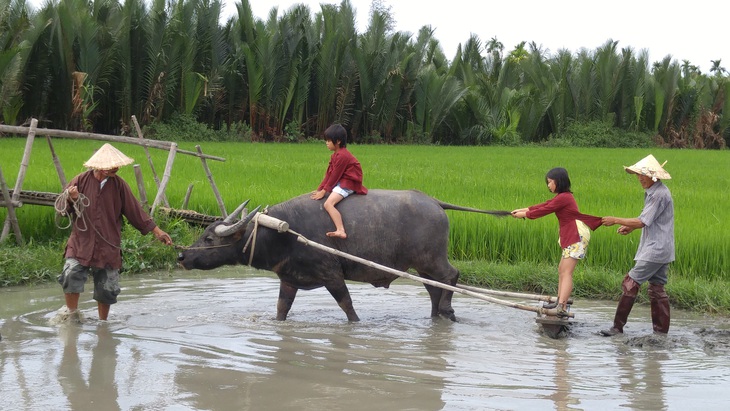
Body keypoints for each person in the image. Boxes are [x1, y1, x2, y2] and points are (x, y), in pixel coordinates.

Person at [56, 143, 172, 322]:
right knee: (71, 274)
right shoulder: (80, 181)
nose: (116, 168)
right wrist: (72, 199)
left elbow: (135, 211)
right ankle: (71, 316)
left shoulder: (119, 186)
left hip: (108, 243)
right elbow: (62, 209)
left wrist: (157, 231)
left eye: (117, 165)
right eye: (111, 165)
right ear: (99, 166)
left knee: (107, 287)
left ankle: (103, 323)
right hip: (81, 241)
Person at [511, 167, 602, 318]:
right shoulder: (562, 197)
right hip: (570, 235)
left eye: (550, 182)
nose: (548, 185)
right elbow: (544, 205)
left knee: (566, 272)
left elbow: (545, 210)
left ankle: (561, 305)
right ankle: (559, 301)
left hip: (576, 235)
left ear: (558, 181)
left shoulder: (565, 197)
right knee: (562, 270)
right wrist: (522, 209)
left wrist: (524, 214)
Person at [600, 154, 674, 336]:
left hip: (655, 249)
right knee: (657, 289)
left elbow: (642, 221)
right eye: (638, 175)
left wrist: (615, 220)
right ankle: (661, 333)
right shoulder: (656, 192)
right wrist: (630, 227)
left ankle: (617, 328)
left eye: (643, 175)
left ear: (653, 176)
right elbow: (649, 221)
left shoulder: (658, 195)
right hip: (662, 248)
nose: (640, 178)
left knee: (630, 283)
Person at [310, 124, 367, 239]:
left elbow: (335, 176)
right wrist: (320, 189)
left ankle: (340, 230)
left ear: (338, 141)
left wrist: (325, 191)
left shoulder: (342, 156)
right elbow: (329, 174)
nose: (326, 143)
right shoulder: (335, 156)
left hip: (348, 183)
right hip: (342, 180)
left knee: (328, 204)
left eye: (329, 140)